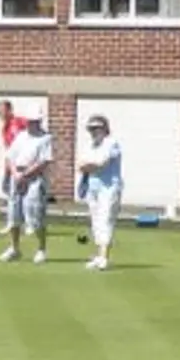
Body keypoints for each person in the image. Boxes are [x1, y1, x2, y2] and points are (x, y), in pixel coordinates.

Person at [0, 110, 54, 264]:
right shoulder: (21, 136)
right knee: (13, 215)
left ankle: (41, 249)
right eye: (30, 121)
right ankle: (14, 249)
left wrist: (26, 175)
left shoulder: (45, 138)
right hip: (17, 176)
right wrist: (14, 173)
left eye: (35, 121)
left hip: (35, 179)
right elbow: (10, 156)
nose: (32, 124)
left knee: (36, 215)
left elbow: (44, 161)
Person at [76, 113, 123, 271]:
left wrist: (90, 166)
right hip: (93, 186)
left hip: (109, 187)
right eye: (91, 129)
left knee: (105, 219)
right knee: (96, 221)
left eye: (96, 128)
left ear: (104, 129)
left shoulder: (112, 143)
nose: (93, 132)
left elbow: (101, 164)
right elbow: (81, 165)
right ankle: (99, 255)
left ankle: (104, 257)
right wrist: (89, 166)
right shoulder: (89, 146)